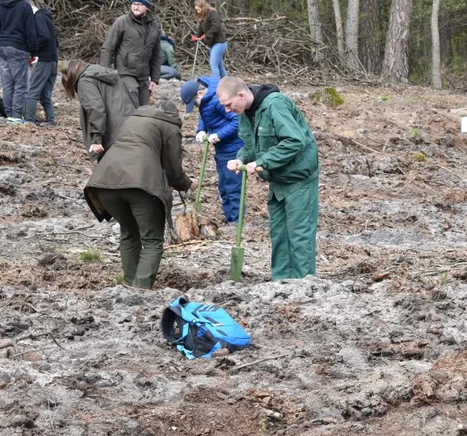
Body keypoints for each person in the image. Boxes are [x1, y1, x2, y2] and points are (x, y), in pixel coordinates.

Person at [217, 76, 320, 280]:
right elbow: (249, 146)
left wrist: (264, 161)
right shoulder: (244, 113)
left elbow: (294, 140)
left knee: (299, 235)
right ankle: (280, 283)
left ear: (241, 94)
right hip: (277, 180)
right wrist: (241, 159)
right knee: (279, 233)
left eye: (228, 105)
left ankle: (304, 286)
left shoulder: (275, 104)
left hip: (299, 178)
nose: (227, 110)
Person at [84, 102, 194, 288]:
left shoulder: (133, 119)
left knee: (129, 231)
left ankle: (129, 284)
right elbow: (173, 168)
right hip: (142, 185)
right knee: (152, 240)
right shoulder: (170, 125)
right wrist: (188, 184)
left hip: (105, 181)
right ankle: (141, 289)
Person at [181, 77, 244, 223]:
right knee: (223, 186)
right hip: (222, 150)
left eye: (194, 103)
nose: (195, 106)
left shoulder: (217, 100)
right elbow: (205, 115)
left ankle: (236, 221)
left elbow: (237, 121)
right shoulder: (206, 102)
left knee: (232, 186)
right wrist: (201, 130)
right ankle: (229, 218)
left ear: (200, 93)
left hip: (233, 148)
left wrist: (219, 135)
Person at [61, 60, 139, 162]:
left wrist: (96, 139)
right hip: (132, 125)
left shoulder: (84, 81)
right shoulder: (103, 74)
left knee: (111, 170)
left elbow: (96, 109)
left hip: (114, 135)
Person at [100, 0, 162, 105]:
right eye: (134, 4)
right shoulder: (122, 22)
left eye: (139, 4)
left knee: (144, 107)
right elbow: (107, 48)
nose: (136, 7)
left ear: (147, 7)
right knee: (130, 101)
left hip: (144, 75)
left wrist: (154, 79)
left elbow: (157, 54)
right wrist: (106, 74)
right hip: (125, 72)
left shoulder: (155, 26)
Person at [0, 0, 39, 123]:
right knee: (20, 83)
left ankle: (9, 113)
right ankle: (16, 115)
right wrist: (34, 51)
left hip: (2, 47)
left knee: (7, 82)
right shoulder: (24, 6)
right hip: (18, 47)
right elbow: (31, 30)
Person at [24, 2, 59, 125]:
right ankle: (51, 120)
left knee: (32, 93)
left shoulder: (38, 17)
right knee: (45, 95)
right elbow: (56, 41)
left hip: (44, 60)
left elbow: (44, 37)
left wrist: (31, 48)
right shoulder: (46, 17)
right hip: (53, 61)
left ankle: (28, 121)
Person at [193, 0, 229, 79]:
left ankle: (215, 84)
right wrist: (196, 36)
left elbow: (216, 26)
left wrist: (206, 35)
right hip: (212, 43)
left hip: (219, 42)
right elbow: (201, 28)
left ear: (203, 7)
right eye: (196, 10)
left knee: (213, 64)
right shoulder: (202, 16)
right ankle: (226, 82)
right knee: (219, 65)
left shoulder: (212, 12)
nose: (198, 12)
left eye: (198, 9)